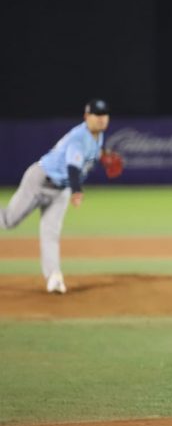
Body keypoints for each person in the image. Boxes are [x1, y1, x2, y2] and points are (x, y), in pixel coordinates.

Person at [0, 99, 111, 293]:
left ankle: (54, 278)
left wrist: (104, 156)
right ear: (87, 116)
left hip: (61, 190)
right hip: (39, 181)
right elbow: (73, 167)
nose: (101, 119)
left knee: (50, 234)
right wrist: (77, 190)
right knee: (9, 221)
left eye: (104, 115)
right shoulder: (79, 138)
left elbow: (94, 152)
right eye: (96, 115)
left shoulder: (98, 136)